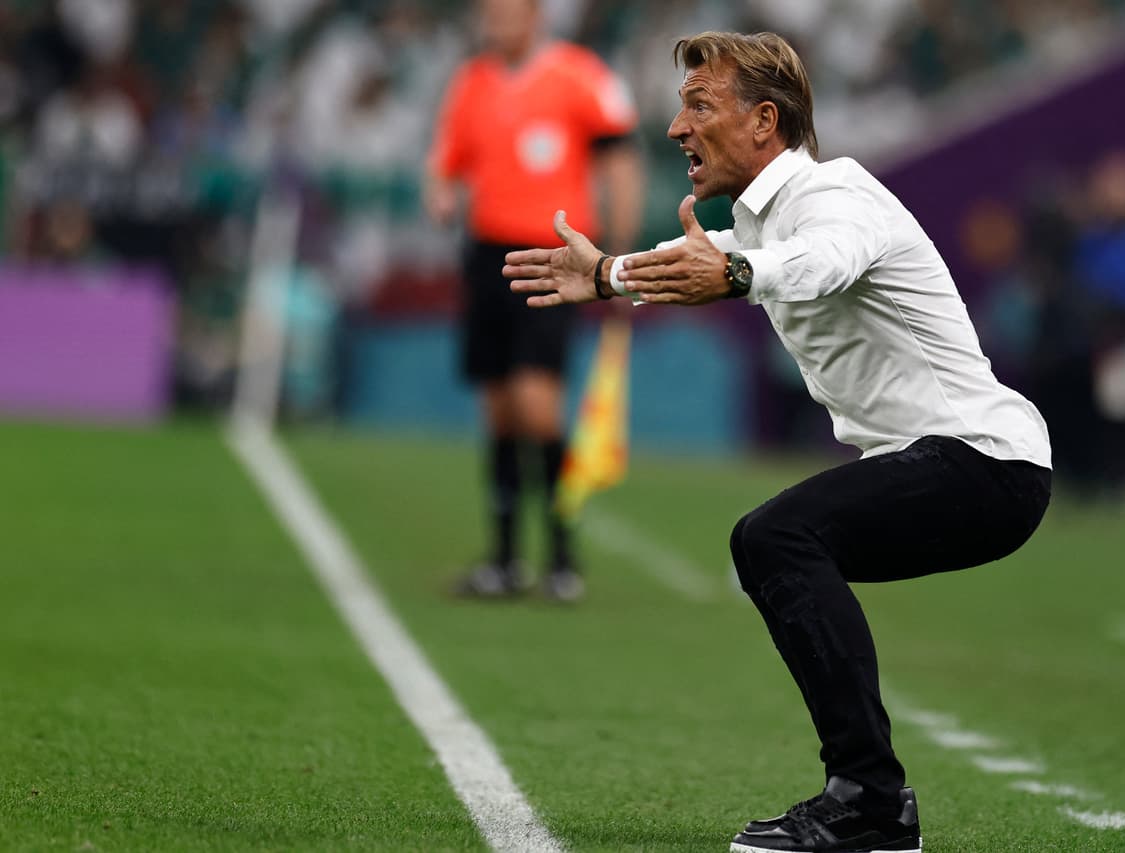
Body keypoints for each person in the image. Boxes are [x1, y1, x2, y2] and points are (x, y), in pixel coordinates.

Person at [505, 31, 1052, 853]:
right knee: (773, 543)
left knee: (778, 536)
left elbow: (817, 261)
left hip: (985, 459)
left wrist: (734, 276)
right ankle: (868, 798)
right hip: (957, 463)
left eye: (699, 106)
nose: (676, 128)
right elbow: (709, 258)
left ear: (764, 121)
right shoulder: (764, 223)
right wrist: (609, 274)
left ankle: (869, 800)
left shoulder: (836, 195)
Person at [425, 0, 644, 601]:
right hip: (487, 256)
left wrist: (617, 257)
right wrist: (440, 192)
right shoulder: (472, 81)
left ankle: (562, 556)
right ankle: (504, 561)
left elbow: (621, 162)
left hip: (553, 259)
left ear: (534, 13)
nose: (495, 18)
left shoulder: (580, 76)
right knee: (499, 408)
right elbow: (445, 162)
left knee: (536, 404)